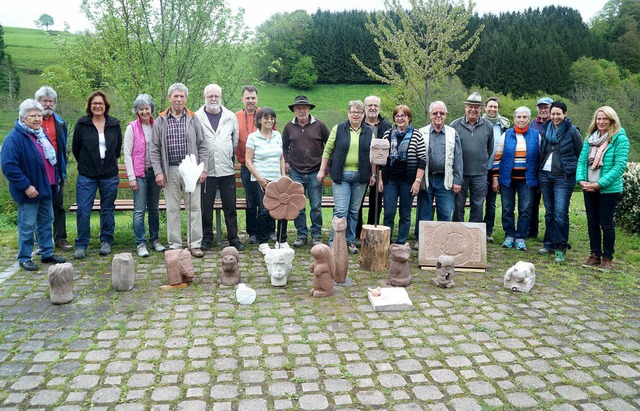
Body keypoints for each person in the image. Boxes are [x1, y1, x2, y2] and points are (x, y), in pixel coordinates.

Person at [1, 99, 66, 271]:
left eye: (38, 115)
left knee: (46, 222)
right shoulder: (15, 138)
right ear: (23, 118)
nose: (37, 119)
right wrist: (26, 186)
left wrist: (57, 178)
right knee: (27, 225)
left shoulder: (41, 135)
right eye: (32, 116)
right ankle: (24, 257)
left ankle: (46, 253)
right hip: (29, 191)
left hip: (46, 188)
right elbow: (9, 166)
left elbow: (52, 161)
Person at [150, 83, 207, 257]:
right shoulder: (160, 120)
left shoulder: (193, 118)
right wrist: (158, 172)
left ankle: (194, 244)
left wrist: (202, 169)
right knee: (172, 208)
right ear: (169, 98)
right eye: (175, 96)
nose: (179, 99)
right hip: (171, 170)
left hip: (191, 170)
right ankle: (175, 245)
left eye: (182, 96)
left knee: (194, 207)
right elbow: (154, 148)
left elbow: (203, 145)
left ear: (186, 99)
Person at [317, 100, 375, 254]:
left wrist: (374, 174)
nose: (356, 115)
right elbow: (327, 150)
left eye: (359, 112)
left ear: (363, 115)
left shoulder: (369, 132)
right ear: (348, 113)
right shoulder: (338, 129)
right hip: (341, 176)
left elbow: (374, 155)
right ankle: (334, 242)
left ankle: (349, 241)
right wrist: (322, 170)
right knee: (341, 211)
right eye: (353, 112)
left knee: (354, 211)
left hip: (360, 177)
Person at [577, 106, 629, 271]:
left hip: (609, 189)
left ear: (612, 120)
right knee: (592, 222)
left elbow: (619, 166)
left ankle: (607, 258)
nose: (601, 122)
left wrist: (600, 184)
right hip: (589, 187)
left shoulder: (620, 139)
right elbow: (582, 162)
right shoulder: (590, 138)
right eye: (598, 118)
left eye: (604, 119)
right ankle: (594, 254)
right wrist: (581, 180)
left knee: (606, 223)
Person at [72, 91, 122, 259]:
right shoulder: (82, 124)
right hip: (87, 175)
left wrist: (105, 164)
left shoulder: (114, 124)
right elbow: (76, 149)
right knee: (83, 210)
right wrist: (89, 163)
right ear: (90, 106)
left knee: (107, 209)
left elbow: (117, 150)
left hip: (109, 174)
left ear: (105, 105)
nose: (98, 106)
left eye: (100, 103)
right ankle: (81, 244)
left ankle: (106, 241)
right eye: (94, 103)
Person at [195, 84, 244, 252]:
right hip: (205, 171)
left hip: (226, 169)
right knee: (205, 207)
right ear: (205, 98)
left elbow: (234, 140)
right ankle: (206, 238)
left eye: (216, 96)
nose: (213, 99)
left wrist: (225, 151)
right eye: (210, 96)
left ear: (220, 97)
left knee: (230, 207)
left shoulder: (230, 117)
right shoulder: (197, 117)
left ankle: (233, 238)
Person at [538, 101, 583, 263]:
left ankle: (561, 247)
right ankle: (549, 243)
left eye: (559, 114)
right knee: (549, 212)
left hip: (563, 178)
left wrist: (575, 174)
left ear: (565, 114)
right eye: (553, 113)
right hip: (545, 176)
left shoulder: (572, 131)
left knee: (560, 213)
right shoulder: (546, 129)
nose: (555, 117)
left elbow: (581, 154)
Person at [282, 95, 330, 247]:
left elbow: (329, 146)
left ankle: (316, 235)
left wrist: (325, 167)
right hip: (295, 171)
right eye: (298, 108)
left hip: (315, 172)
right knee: (298, 206)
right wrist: (287, 162)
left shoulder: (320, 125)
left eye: (304, 107)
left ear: (309, 109)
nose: (302, 110)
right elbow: (283, 147)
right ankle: (301, 235)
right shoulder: (288, 127)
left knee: (316, 205)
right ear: (294, 110)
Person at [492, 106, 540, 251]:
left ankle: (520, 237)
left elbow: (540, 157)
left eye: (524, 117)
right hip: (508, 179)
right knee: (507, 208)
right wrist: (495, 177)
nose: (521, 120)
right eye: (518, 117)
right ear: (514, 119)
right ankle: (509, 236)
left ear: (529, 119)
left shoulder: (536, 135)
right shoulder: (506, 135)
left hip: (527, 179)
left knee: (525, 209)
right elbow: (497, 157)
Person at [415, 101, 463, 245]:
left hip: (445, 179)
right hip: (427, 179)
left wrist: (457, 180)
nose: (438, 115)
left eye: (441, 113)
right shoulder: (421, 132)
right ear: (430, 114)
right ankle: (423, 241)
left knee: (445, 212)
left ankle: (443, 242)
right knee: (424, 212)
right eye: (435, 113)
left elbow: (458, 157)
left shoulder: (452, 133)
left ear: (446, 115)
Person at [123, 94, 165, 258]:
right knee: (139, 210)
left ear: (151, 109)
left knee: (154, 209)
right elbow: (127, 154)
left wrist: (161, 172)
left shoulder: (158, 126)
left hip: (154, 173)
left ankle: (155, 240)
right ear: (137, 111)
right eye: (141, 109)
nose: (144, 111)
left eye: (147, 108)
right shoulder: (131, 128)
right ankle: (140, 243)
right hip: (139, 175)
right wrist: (131, 177)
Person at [379, 105, 426, 245]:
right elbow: (381, 159)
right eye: (397, 116)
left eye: (403, 116)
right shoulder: (387, 134)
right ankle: (386, 241)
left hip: (408, 181)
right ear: (394, 118)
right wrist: (380, 179)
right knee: (389, 212)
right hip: (390, 181)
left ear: (409, 118)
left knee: (405, 214)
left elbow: (422, 160)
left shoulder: (417, 135)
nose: (400, 119)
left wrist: (417, 181)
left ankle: (401, 242)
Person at [244, 107, 288, 254]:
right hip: (261, 180)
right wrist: (260, 180)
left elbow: (281, 157)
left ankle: (282, 240)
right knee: (264, 211)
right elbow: (248, 161)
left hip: (278, 180)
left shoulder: (277, 135)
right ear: (259, 120)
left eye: (272, 118)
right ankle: (263, 242)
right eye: (266, 118)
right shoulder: (253, 137)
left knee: (282, 209)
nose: (269, 120)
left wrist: (283, 176)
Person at [235, 85, 275, 244]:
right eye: (247, 98)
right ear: (242, 99)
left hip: (266, 166)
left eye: (253, 98)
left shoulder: (266, 115)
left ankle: (270, 230)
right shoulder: (235, 116)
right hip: (246, 166)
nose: (250, 101)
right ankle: (252, 232)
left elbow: (274, 137)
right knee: (251, 201)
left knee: (269, 199)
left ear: (257, 99)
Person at [35, 86, 71, 251]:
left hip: (56, 171)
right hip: (37, 171)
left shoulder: (60, 122)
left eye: (51, 101)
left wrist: (63, 171)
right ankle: (40, 241)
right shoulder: (32, 120)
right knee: (39, 205)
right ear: (38, 102)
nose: (48, 104)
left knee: (58, 206)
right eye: (45, 101)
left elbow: (63, 149)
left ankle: (60, 239)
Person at [450, 92, 494, 223]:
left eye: (476, 107)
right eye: (470, 106)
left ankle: (474, 233)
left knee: (478, 205)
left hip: (480, 173)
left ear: (481, 109)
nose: (473, 110)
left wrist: (481, 161)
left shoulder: (488, 126)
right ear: (465, 107)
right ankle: (457, 232)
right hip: (460, 174)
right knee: (458, 205)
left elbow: (489, 148)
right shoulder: (454, 125)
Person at [355, 95, 392, 245]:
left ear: (379, 108)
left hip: (381, 171)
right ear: (364, 108)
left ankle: (372, 232)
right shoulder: (358, 124)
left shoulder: (387, 126)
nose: (372, 108)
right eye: (369, 105)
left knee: (376, 203)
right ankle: (358, 234)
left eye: (375, 105)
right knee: (357, 203)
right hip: (361, 169)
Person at [481, 97, 510, 243]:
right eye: (490, 106)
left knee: (491, 202)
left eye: (495, 107)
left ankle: (488, 230)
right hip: (480, 169)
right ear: (485, 107)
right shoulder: (480, 123)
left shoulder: (503, 125)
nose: (493, 109)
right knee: (478, 200)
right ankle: (476, 229)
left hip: (496, 169)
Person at [528, 96, 553, 239]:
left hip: (551, 169)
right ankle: (532, 231)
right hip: (535, 167)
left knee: (551, 205)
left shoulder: (556, 123)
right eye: (541, 107)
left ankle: (550, 235)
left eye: (546, 107)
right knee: (533, 202)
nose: (543, 110)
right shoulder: (533, 123)